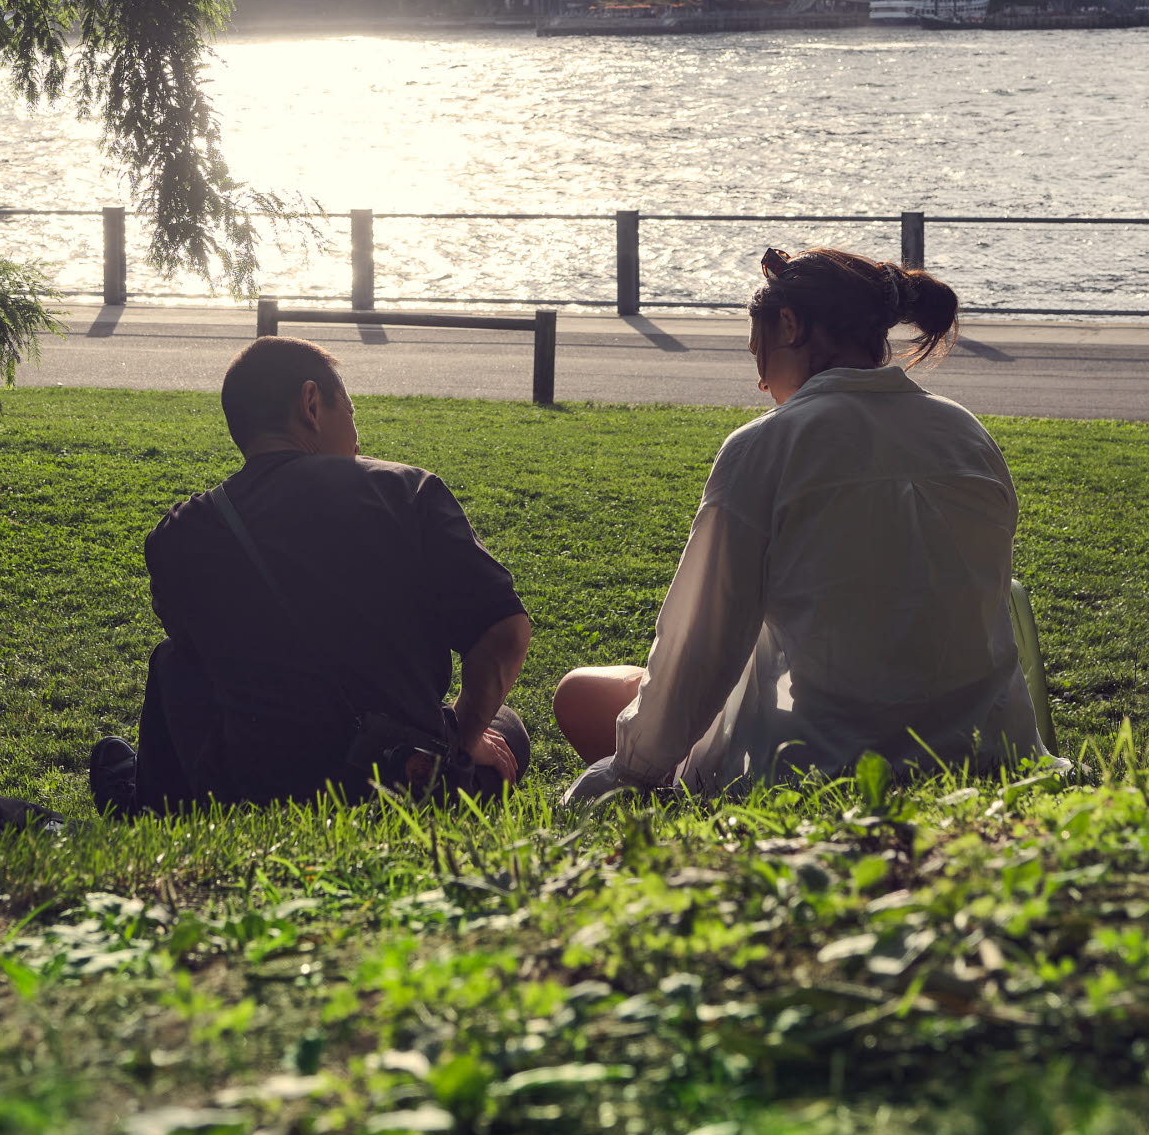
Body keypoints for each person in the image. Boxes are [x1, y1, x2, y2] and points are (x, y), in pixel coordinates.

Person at [554, 247, 1048, 802]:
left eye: (758, 354)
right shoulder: (967, 434)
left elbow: (701, 647)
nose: (761, 384)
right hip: (988, 748)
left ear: (789, 325)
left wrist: (631, 771)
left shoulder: (767, 445)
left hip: (818, 760)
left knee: (582, 693)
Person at [91, 337, 533, 816]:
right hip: (396, 779)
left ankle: (146, 799)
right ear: (311, 403)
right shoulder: (404, 490)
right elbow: (505, 632)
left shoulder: (179, 533)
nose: (358, 440)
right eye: (352, 413)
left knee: (174, 660)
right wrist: (463, 738)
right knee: (505, 727)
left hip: (248, 787)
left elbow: (194, 662)